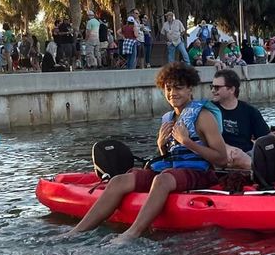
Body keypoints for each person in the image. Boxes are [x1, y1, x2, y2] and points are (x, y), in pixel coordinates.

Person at [65, 62, 228, 242]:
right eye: (168, 88)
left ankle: (132, 233)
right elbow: (172, 157)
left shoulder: (204, 117)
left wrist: (188, 142)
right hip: (173, 172)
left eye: (179, 88)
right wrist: (161, 145)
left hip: (200, 173)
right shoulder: (168, 118)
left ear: (190, 89)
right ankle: (77, 231)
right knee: (119, 180)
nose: (173, 93)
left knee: (162, 179)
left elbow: (221, 159)